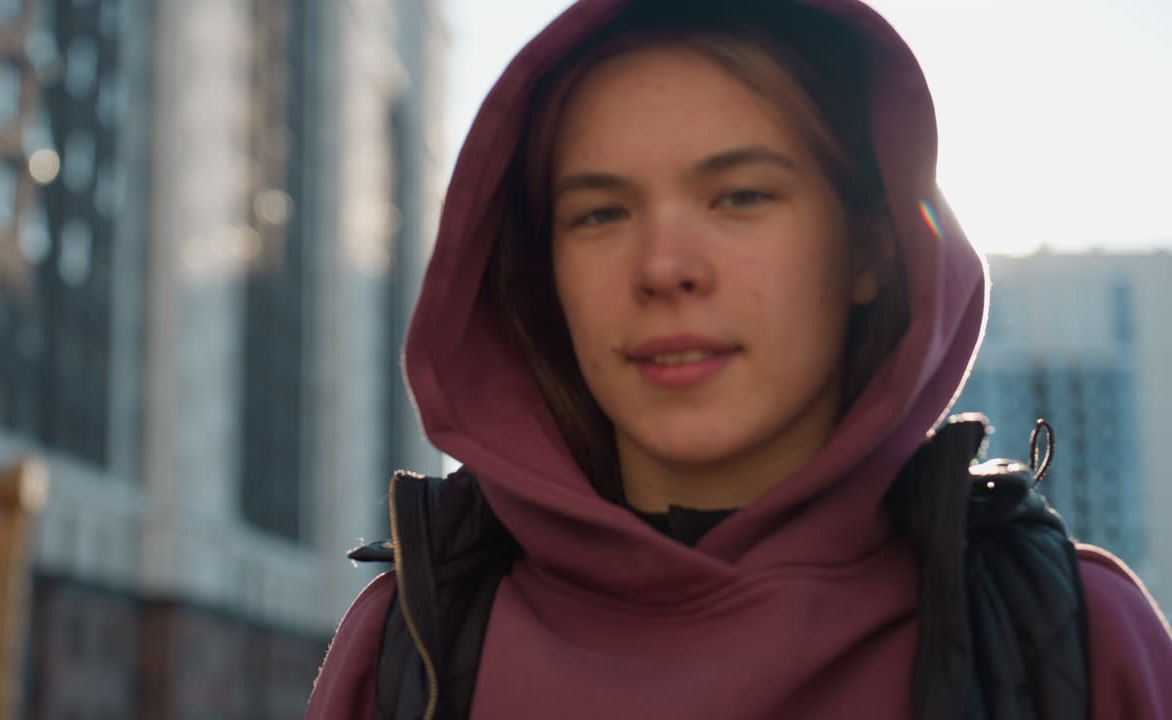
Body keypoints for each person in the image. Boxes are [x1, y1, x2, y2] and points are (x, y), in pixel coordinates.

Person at [307, 0, 1172, 717]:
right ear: (544, 279)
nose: (664, 268)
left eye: (741, 196)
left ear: (871, 249)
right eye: (601, 214)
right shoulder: (408, 647)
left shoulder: (1069, 641)